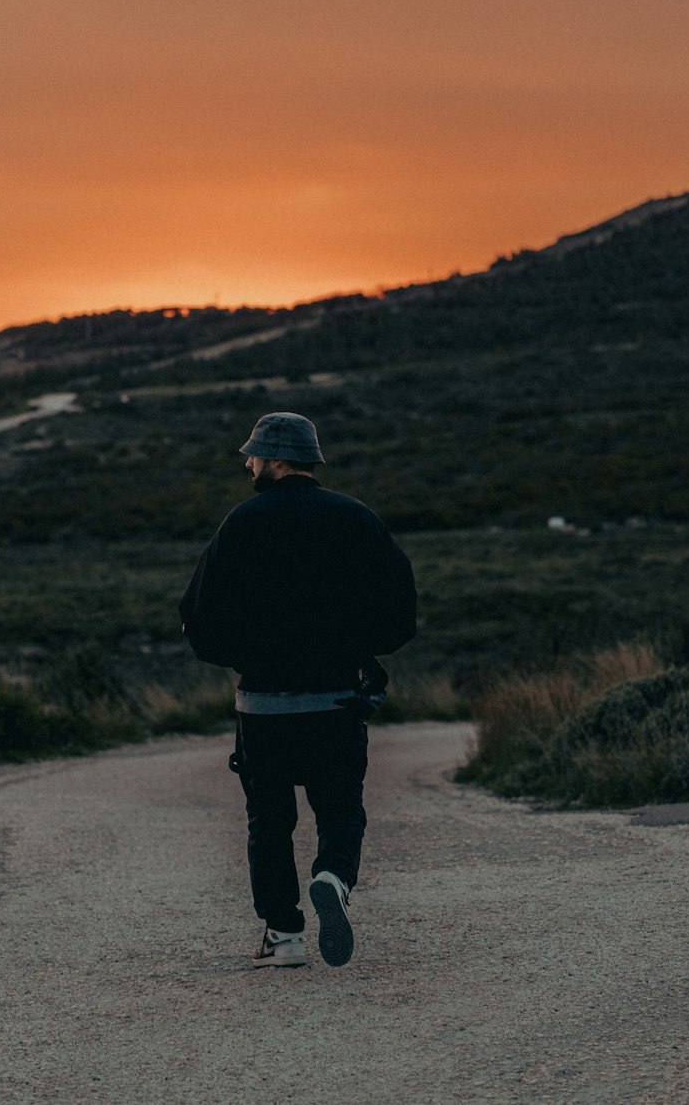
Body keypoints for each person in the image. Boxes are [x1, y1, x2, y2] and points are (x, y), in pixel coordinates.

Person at [179, 411, 417, 969]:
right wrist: (360, 651)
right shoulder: (357, 519)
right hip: (336, 699)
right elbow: (400, 610)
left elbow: (198, 614)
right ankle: (332, 876)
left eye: (254, 456)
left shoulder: (241, 523)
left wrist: (240, 658)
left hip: (262, 705)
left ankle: (283, 935)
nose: (248, 463)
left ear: (276, 460)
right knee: (340, 809)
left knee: (270, 821)